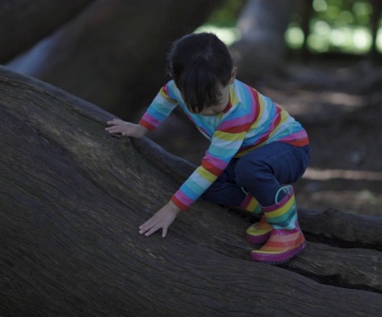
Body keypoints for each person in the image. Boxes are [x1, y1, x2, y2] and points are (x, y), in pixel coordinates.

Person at [105, 32, 310, 263]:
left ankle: (288, 230)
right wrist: (141, 128)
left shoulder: (236, 113)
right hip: (246, 154)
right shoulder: (180, 87)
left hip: (289, 148)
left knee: (248, 170)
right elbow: (166, 95)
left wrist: (172, 208)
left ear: (232, 76)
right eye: (196, 104)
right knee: (210, 188)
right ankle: (273, 203)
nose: (206, 111)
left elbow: (211, 167)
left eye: (213, 102)